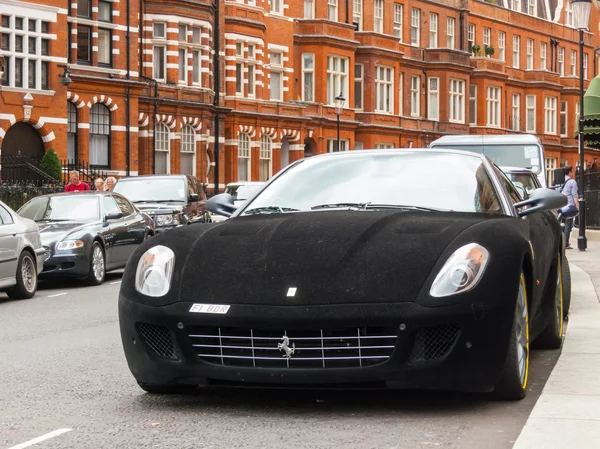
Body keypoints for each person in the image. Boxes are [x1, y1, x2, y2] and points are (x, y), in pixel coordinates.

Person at [559, 166, 579, 249]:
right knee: (568, 224)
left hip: (560, 205)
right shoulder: (572, 182)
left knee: (561, 224)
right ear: (570, 172)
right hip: (569, 206)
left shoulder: (559, 181)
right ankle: (566, 243)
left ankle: (560, 242)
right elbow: (575, 196)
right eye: (572, 171)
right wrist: (577, 207)